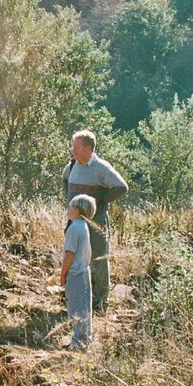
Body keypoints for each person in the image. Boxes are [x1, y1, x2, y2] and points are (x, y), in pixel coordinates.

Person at [62, 130, 128, 314]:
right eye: (73, 147)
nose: (72, 150)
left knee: (98, 259)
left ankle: (100, 303)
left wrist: (99, 202)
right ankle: (77, 296)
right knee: (74, 256)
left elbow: (122, 188)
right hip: (75, 222)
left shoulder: (101, 167)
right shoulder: (72, 165)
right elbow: (65, 180)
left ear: (88, 149)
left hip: (96, 222)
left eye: (76, 147)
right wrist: (70, 202)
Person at [60, 194, 100, 349]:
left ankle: (79, 343)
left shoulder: (74, 227)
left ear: (76, 209)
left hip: (75, 273)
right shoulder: (83, 225)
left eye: (70, 206)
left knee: (76, 308)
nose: (68, 209)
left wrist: (63, 274)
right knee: (84, 306)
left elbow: (70, 253)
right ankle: (84, 339)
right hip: (84, 271)